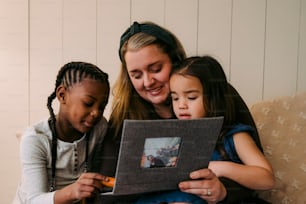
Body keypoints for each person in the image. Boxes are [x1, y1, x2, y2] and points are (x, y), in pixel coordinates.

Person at [100, 21, 266, 203]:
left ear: (175, 60)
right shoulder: (124, 113)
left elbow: (257, 174)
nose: (148, 82)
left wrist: (224, 190)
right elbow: (108, 183)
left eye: (156, 69)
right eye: (136, 75)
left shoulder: (215, 92)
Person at [136, 56, 275, 203]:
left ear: (214, 98)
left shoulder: (233, 135)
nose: (181, 105)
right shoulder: (175, 136)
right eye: (175, 98)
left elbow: (267, 178)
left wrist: (221, 168)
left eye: (191, 97)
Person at [13, 62, 111, 204]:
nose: (96, 113)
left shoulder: (99, 127)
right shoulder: (36, 140)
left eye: (102, 106)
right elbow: (33, 200)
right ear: (62, 95)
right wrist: (73, 191)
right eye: (88, 103)